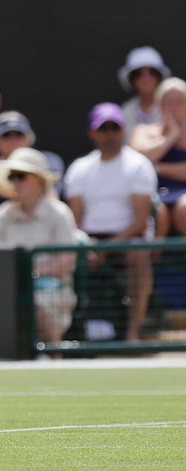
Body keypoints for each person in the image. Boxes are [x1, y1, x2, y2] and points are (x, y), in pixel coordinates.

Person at [63, 102, 157, 342]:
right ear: (92, 133)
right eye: (103, 128)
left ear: (123, 130)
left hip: (126, 240)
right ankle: (68, 333)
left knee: (139, 256)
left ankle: (133, 333)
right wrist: (88, 245)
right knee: (65, 258)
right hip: (89, 241)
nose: (109, 133)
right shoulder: (79, 168)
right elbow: (75, 220)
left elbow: (140, 222)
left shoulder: (138, 165)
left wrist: (107, 248)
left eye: (114, 127)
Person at [0, 147, 79, 354]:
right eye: (12, 177)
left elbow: (66, 261)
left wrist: (33, 274)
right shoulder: (3, 215)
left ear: (39, 180)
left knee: (35, 307)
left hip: (53, 292)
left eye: (21, 176)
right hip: (10, 290)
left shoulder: (59, 214)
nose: (15, 182)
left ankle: (54, 357)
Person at [0, 110, 64, 233]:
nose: (13, 139)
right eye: (6, 135)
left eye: (19, 134)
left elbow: (53, 201)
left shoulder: (48, 162)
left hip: (40, 235)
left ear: (29, 138)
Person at [130, 77, 186, 236]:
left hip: (183, 194)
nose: (174, 107)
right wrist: (171, 136)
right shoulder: (143, 131)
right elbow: (136, 161)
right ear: (159, 104)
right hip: (152, 193)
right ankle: (156, 258)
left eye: (179, 101)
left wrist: (158, 168)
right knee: (157, 211)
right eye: (168, 101)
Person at [118, 46, 171, 139]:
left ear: (159, 77)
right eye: (138, 74)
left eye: (152, 72)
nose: (145, 79)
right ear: (132, 79)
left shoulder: (173, 106)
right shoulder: (125, 111)